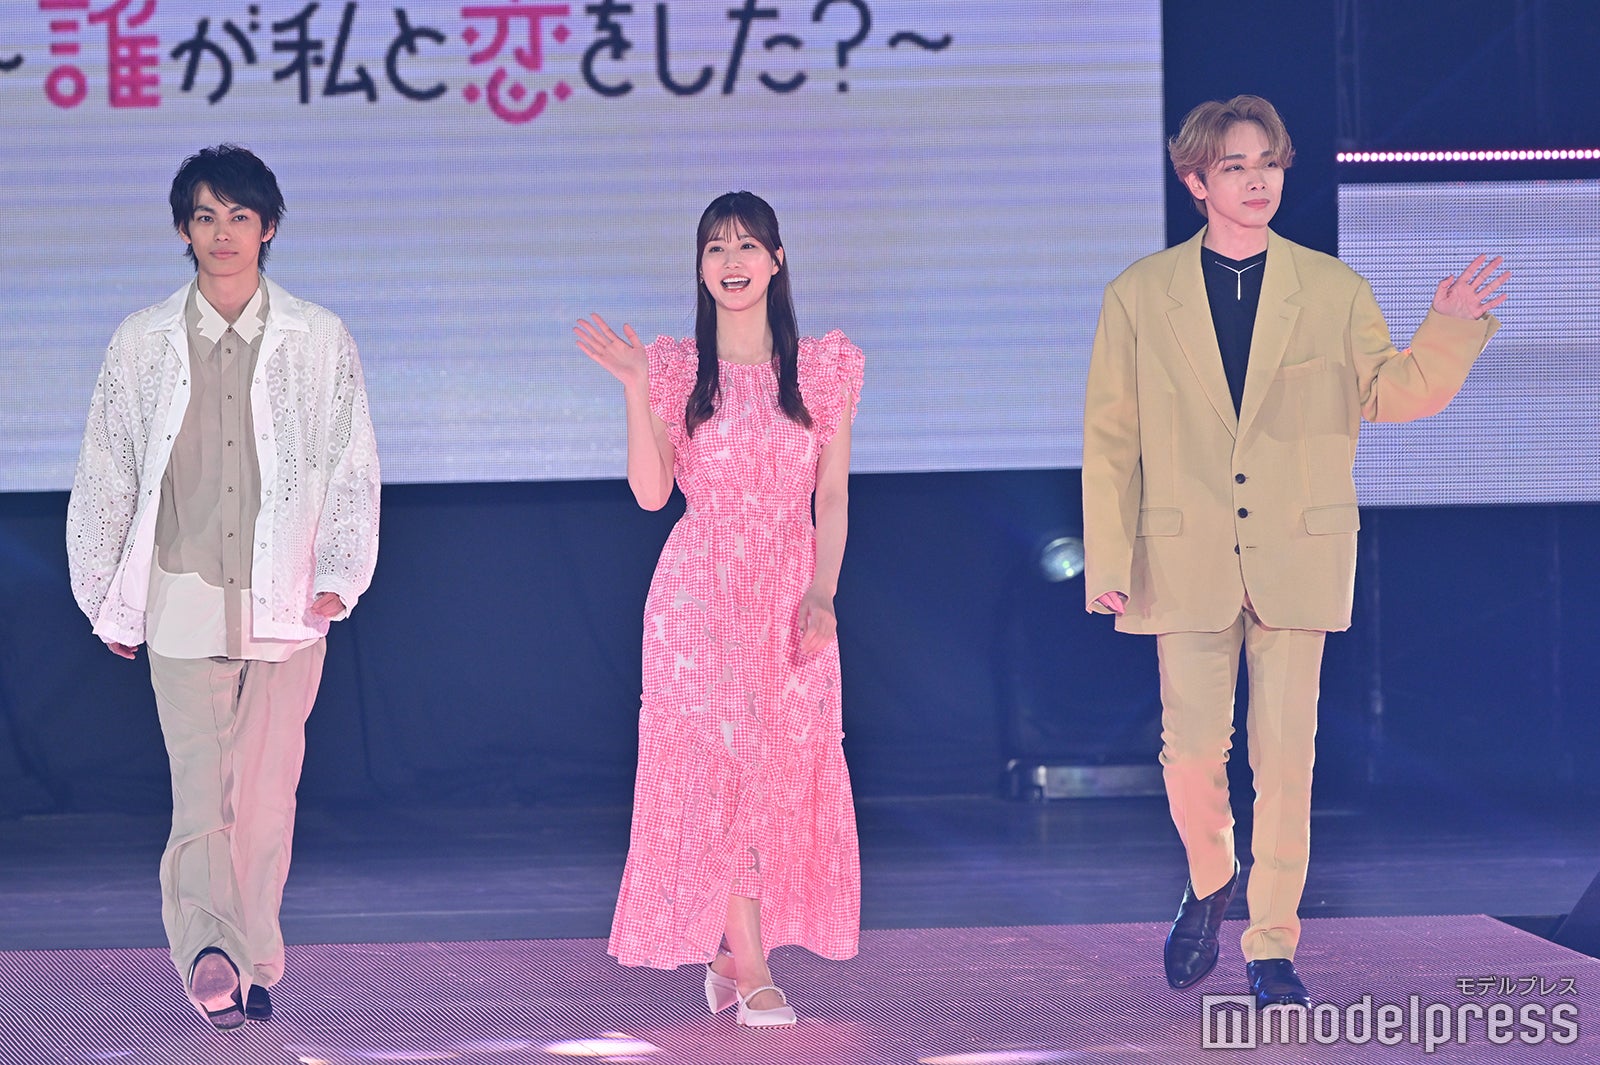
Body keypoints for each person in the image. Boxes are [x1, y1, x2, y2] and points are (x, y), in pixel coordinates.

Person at [1081, 96, 1507, 1009]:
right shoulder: (1139, 294)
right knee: (1190, 756)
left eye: (1268, 163)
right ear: (1196, 182)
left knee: (1286, 762)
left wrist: (1447, 328)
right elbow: (1112, 436)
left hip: (1296, 552)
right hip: (1184, 552)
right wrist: (1109, 558)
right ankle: (1211, 878)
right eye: (1235, 166)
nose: (1257, 180)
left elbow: (1388, 395)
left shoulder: (1331, 288)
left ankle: (1272, 944)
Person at [65, 145, 380, 1030]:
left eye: (240, 216)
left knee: (268, 795)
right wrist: (104, 592)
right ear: (184, 229)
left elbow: (350, 461)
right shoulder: (143, 342)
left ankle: (256, 954)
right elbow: (108, 467)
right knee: (201, 790)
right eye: (206, 216)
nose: (223, 233)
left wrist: (339, 572)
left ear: (268, 227)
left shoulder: (318, 338)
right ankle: (209, 950)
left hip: (288, 599)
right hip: (183, 593)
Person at [575, 191, 863, 1028]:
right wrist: (636, 389)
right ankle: (756, 966)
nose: (731, 261)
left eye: (746, 245)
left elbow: (832, 496)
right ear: (701, 268)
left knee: (779, 771)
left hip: (789, 586)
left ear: (776, 260)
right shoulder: (674, 369)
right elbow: (651, 492)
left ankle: (732, 954)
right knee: (718, 772)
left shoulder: (824, 370)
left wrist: (823, 588)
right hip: (698, 592)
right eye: (715, 248)